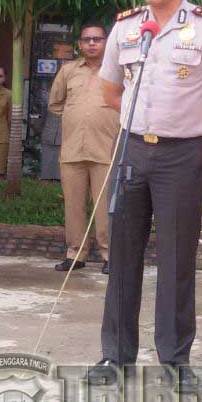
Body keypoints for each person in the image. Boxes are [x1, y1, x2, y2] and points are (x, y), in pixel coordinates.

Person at [89, 0, 202, 388]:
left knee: (177, 258)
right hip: (132, 151)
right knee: (122, 255)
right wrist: (142, 124)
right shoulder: (125, 28)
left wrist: (190, 120)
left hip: (182, 155)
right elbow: (111, 92)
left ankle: (175, 361)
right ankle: (115, 356)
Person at [48, 24, 119, 273]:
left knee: (104, 206)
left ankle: (110, 256)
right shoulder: (68, 71)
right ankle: (75, 254)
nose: (91, 43)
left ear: (106, 42)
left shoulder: (117, 71)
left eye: (97, 39)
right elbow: (56, 103)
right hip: (73, 149)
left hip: (105, 149)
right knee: (74, 205)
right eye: (87, 39)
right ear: (79, 44)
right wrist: (76, 115)